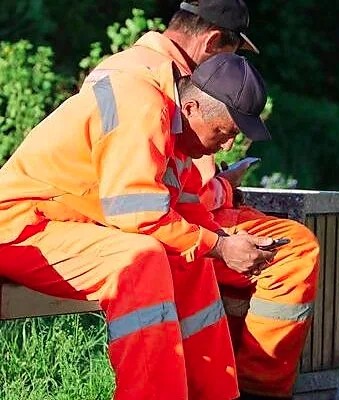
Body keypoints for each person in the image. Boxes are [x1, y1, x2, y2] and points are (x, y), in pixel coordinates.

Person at [0, 54, 272, 400]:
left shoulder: (174, 123)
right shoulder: (142, 108)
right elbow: (140, 217)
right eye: (225, 131)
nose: (228, 145)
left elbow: (185, 204)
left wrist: (221, 240)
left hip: (63, 225)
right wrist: (219, 247)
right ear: (191, 108)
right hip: (18, 226)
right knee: (140, 259)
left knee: (195, 262)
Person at [83, 1, 320, 398]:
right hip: (130, 225)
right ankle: (256, 390)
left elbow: (178, 185)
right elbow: (163, 195)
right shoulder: (159, 88)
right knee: (290, 253)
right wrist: (221, 236)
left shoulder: (130, 67)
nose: (228, 71)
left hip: (145, 216)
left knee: (220, 261)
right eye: (230, 56)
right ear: (212, 42)